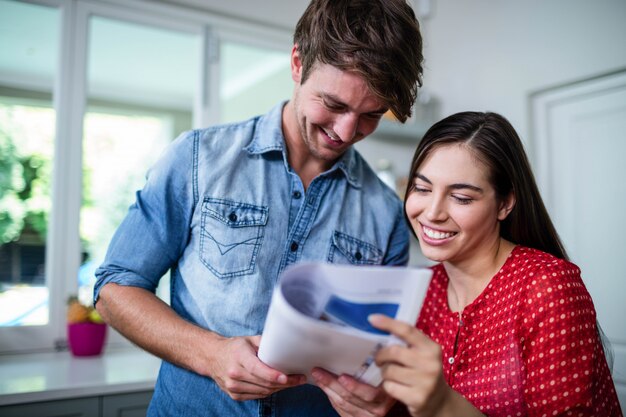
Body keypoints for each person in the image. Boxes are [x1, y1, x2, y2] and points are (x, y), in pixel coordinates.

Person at [92, 0, 424, 416]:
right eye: (334, 105)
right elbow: (114, 287)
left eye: (371, 115)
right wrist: (210, 354)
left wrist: (380, 399)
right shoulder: (197, 159)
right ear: (298, 63)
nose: (346, 132)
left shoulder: (386, 213)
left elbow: (380, 354)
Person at [356, 111, 622, 416]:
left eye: (461, 197)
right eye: (422, 189)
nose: (432, 213)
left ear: (505, 203)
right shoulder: (418, 289)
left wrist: (443, 404)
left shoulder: (546, 288)